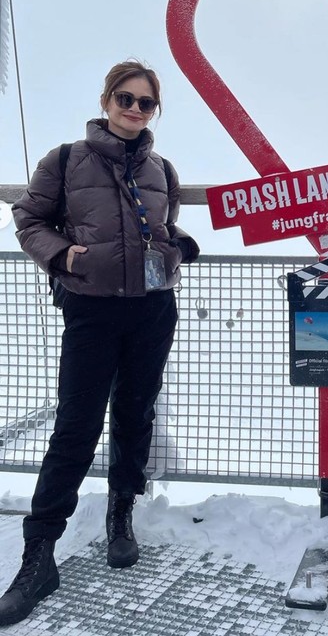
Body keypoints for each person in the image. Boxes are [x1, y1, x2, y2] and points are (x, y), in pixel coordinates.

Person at [0, 60, 199, 626]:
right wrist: (60, 255)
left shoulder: (162, 168)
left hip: (153, 311)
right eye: (125, 98)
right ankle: (39, 555)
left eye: (145, 103)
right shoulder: (64, 159)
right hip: (90, 312)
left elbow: (159, 226)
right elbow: (28, 218)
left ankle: (120, 515)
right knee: (76, 426)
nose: (134, 110)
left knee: (135, 414)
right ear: (106, 99)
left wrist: (179, 246)